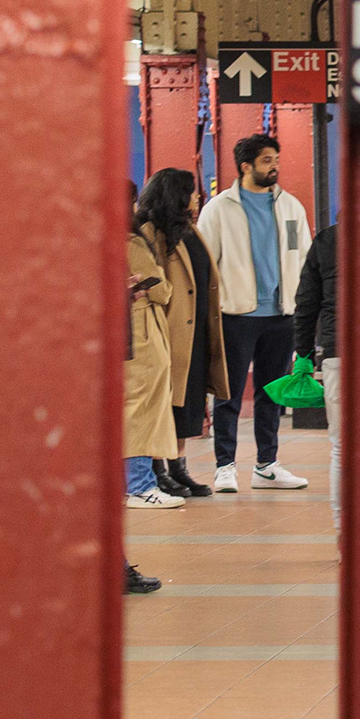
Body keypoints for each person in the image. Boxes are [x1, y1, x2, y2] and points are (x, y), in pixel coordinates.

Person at [197, 131, 315, 489]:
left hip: (282, 314)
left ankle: (267, 464)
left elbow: (303, 257)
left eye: (276, 161)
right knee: (228, 392)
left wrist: (302, 305)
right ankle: (225, 466)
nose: (274, 167)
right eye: (267, 161)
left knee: (271, 392)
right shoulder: (218, 209)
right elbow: (206, 265)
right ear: (246, 166)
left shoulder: (291, 206)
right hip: (236, 315)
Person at [122, 181, 191, 587]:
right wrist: (154, 287)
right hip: (141, 334)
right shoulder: (131, 241)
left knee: (139, 408)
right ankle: (141, 484)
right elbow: (160, 287)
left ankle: (142, 481)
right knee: (140, 410)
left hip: (139, 331)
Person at [141, 167, 223, 502]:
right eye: (191, 190)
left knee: (189, 401)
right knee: (166, 402)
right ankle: (159, 468)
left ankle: (179, 466)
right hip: (171, 330)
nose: (197, 195)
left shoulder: (189, 227)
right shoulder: (152, 232)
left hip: (196, 329)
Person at [296, 218, 339, 520]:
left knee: (341, 447)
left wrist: (304, 355)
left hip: (339, 353)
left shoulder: (326, 241)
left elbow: (306, 304)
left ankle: (342, 532)